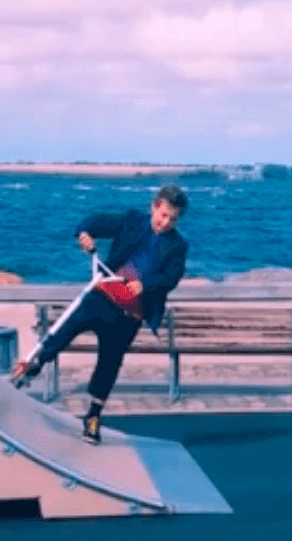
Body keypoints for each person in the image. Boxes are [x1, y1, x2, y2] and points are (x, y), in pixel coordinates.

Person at [10, 184, 191, 443]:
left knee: (109, 364)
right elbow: (98, 222)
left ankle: (93, 417)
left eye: (172, 219)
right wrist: (84, 233)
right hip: (102, 296)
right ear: (154, 207)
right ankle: (32, 367)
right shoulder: (132, 221)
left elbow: (171, 278)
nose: (165, 223)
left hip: (129, 315)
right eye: (163, 215)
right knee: (65, 329)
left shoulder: (178, 246)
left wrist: (146, 284)